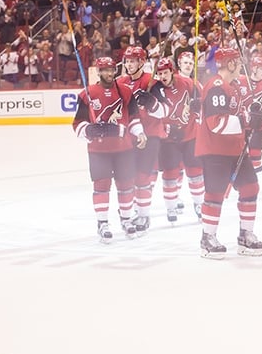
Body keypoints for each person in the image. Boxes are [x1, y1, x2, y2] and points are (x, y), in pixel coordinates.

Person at [194, 46, 262, 258]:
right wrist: (246, 121)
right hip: (215, 150)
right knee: (215, 194)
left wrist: (258, 117)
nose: (242, 65)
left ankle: (246, 235)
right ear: (231, 63)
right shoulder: (216, 86)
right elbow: (216, 123)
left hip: (236, 149)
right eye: (238, 61)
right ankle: (208, 237)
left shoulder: (233, 86)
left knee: (251, 187)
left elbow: (241, 116)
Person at [72, 56, 148, 242]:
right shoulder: (87, 94)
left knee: (126, 184)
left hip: (124, 148)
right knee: (101, 186)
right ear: (98, 71)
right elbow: (77, 124)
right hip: (98, 151)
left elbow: (134, 118)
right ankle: (103, 223)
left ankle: (126, 219)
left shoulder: (125, 91)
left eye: (111, 69)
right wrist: (89, 129)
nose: (108, 73)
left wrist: (140, 133)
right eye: (104, 70)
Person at [116, 46, 167, 234]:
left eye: (132, 61)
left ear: (141, 62)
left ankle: (144, 214)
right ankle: (131, 209)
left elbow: (165, 111)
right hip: (129, 136)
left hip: (150, 135)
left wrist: (151, 103)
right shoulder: (120, 82)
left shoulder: (153, 82)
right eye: (127, 61)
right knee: (127, 176)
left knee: (142, 176)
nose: (129, 64)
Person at [155, 55, 205, 223]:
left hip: (190, 135)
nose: (162, 77)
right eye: (159, 73)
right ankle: (171, 206)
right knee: (170, 173)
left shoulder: (187, 83)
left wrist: (198, 107)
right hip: (169, 139)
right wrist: (167, 129)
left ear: (172, 71)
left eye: (165, 73)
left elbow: (201, 105)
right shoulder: (155, 89)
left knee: (195, 171)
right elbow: (152, 116)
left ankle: (199, 204)